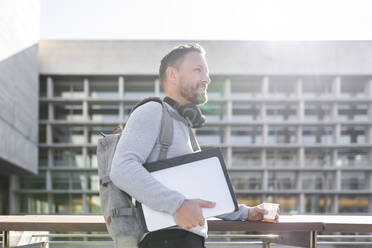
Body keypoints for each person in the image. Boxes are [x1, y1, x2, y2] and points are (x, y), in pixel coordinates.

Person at [110, 43, 279, 248]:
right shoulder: (152, 112)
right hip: (166, 241)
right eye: (198, 70)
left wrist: (246, 213)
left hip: (185, 240)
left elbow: (199, 197)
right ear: (172, 75)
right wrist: (178, 204)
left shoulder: (183, 125)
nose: (207, 78)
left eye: (207, 72)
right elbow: (121, 168)